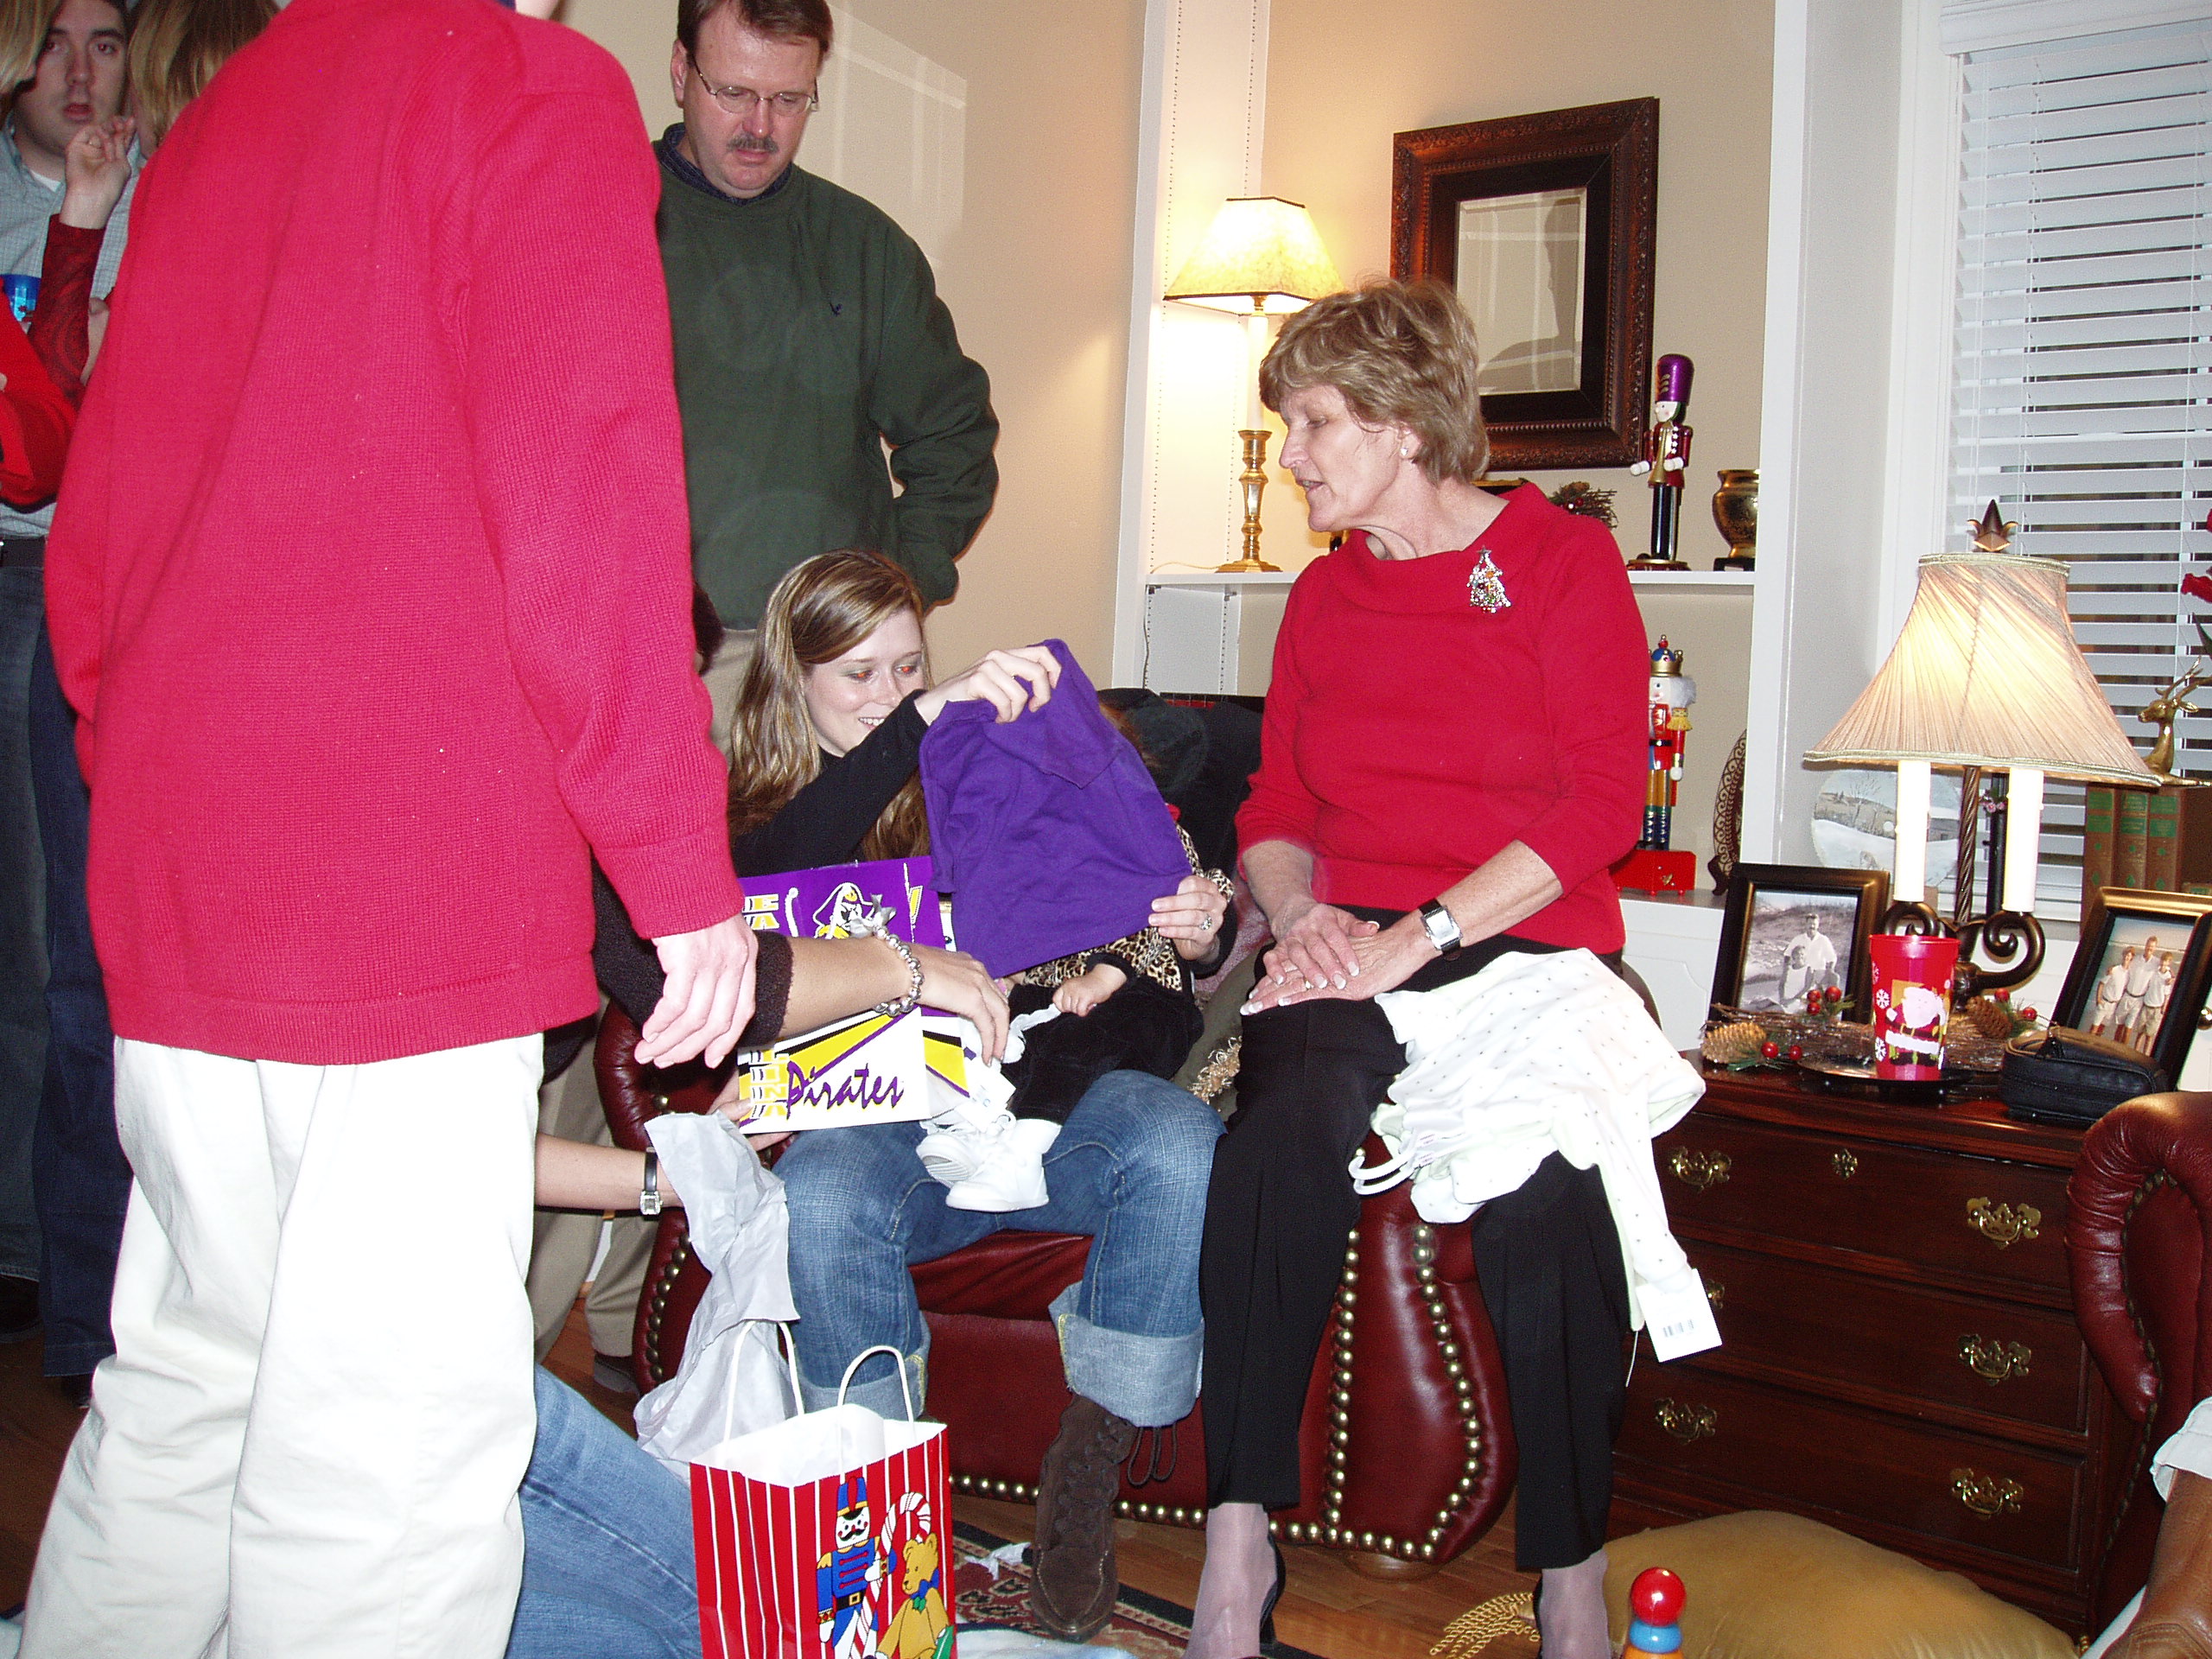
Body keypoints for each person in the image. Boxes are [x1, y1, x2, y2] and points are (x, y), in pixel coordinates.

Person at [24, 3, 763, 1655]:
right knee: (386, 1463)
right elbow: (584, 496)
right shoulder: (526, 88)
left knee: (187, 1397)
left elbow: (100, 547)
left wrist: (149, 792)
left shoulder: (218, 125)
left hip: (184, 866)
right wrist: (676, 868)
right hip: (401, 877)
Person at [1182, 279, 1649, 1659]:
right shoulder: (1324, 597)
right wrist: (1301, 917)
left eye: (1314, 423)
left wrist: (1422, 935)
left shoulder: (1563, 563)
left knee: (1549, 1200)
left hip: (1516, 943)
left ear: (1401, 423)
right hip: (1349, 941)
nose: (1293, 456)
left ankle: (1571, 1571)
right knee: (1280, 1141)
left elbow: (1601, 806)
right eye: (1288, 426)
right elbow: (1276, 804)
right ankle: (1237, 1537)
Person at [671, 549, 1227, 1642]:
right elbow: (767, 880)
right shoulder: (749, 809)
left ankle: (1087, 1479)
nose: (889, 697)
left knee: (1176, 1136)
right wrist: (917, 725)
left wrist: (1193, 927)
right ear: (792, 680)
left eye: (908, 668)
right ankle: (869, 1521)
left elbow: (1129, 882)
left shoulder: (980, 760)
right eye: (858, 675)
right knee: (825, 1193)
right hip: (889, 1133)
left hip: (1042, 1101)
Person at [658, 0, 997, 740]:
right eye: (734, 93)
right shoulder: (604, 224)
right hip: (657, 663)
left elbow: (956, 440)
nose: (760, 127)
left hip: (833, 669)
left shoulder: (864, 248)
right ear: (682, 72)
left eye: (789, 100)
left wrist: (890, 595)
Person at [0, 0, 131, 1357]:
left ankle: (93, 1290)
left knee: (100, 957)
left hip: (136, 581)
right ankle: (50, 1273)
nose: (81, 72)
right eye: (54, 41)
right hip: (30, 573)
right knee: (53, 953)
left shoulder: (176, 192)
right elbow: (35, 448)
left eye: (105, 40)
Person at [1777, 910, 1838, 1011]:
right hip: (1802, 972)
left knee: (1835, 978)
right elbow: (1787, 954)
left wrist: (1830, 970)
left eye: (1814, 924)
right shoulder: (1798, 939)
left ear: (1818, 925)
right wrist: (1786, 966)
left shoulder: (1823, 940)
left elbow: (1832, 958)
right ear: (1805, 925)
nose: (1812, 926)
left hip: (1818, 972)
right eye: (1810, 924)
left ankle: (1829, 1008)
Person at [2093, 949, 2128, 1038]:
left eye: (2129, 956)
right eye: (2125, 955)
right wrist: (2098, 999)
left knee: (2102, 1028)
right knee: (2094, 1028)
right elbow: (2102, 983)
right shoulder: (2114, 970)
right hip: (2105, 1002)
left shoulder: (2128, 973)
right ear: (2123, 955)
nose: (2126, 958)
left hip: (2113, 1006)